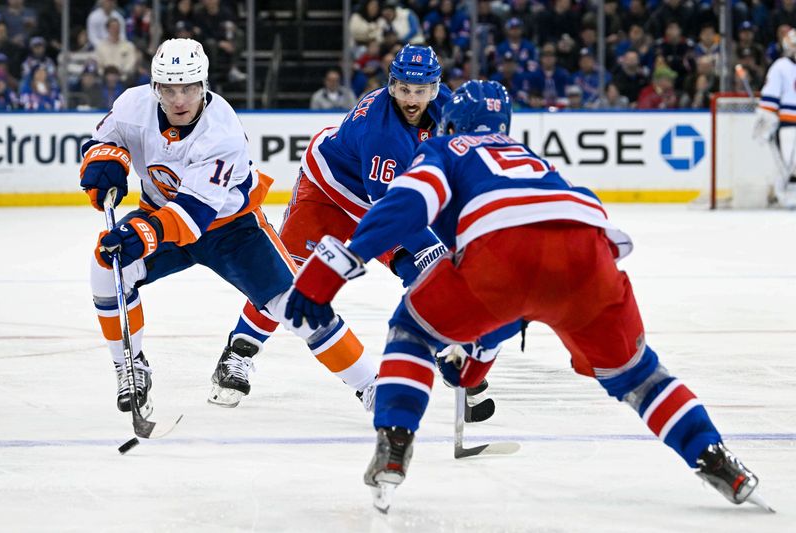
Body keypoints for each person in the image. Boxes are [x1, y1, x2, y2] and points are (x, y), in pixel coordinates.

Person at [283, 80, 770, 513]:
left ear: (451, 120)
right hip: (589, 256)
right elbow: (521, 302)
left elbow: (407, 206)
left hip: (501, 255)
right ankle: (718, 459)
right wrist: (474, 367)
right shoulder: (535, 161)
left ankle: (394, 443)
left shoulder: (447, 149)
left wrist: (334, 269)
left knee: (411, 330)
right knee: (641, 377)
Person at [80, 38, 377, 416]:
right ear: (155, 87)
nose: (178, 99)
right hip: (160, 213)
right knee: (106, 265)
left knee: (297, 306)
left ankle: (371, 385)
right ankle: (130, 366)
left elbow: (193, 215)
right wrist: (104, 161)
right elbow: (105, 139)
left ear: (203, 84)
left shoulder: (222, 132)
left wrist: (144, 233)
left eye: (188, 87)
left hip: (232, 230)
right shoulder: (131, 106)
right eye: (168, 89)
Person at [208, 45, 467, 410]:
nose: (412, 98)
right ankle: (239, 351)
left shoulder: (447, 111)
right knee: (286, 279)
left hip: (382, 199)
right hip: (329, 190)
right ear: (392, 86)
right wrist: (433, 245)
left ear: (436, 89)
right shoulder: (383, 133)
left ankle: (445, 345)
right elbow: (387, 206)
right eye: (405, 88)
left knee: (420, 270)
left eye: (420, 90)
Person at [753, 28, 796, 206]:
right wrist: (766, 122)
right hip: (788, 124)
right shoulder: (780, 67)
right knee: (790, 164)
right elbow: (770, 99)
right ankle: (786, 196)